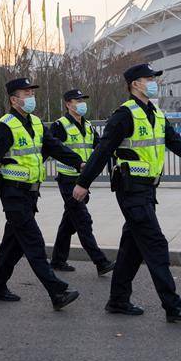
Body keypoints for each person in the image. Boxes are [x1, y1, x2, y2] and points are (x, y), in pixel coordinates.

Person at [72, 63, 181, 323]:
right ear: (135, 84)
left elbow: (174, 140)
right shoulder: (124, 115)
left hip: (147, 189)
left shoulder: (156, 114)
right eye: (148, 78)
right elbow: (103, 150)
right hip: (130, 189)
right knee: (156, 243)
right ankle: (173, 305)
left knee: (132, 247)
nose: (153, 82)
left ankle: (117, 300)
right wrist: (83, 182)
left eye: (153, 78)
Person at [0, 77, 83, 311]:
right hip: (12, 192)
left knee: (14, 244)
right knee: (33, 242)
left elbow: (54, 147)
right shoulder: (5, 126)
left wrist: (78, 163)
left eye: (31, 93)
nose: (30, 97)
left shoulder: (36, 123)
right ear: (13, 99)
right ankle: (57, 292)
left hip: (29, 194)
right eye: (26, 94)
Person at [48, 88, 115, 275]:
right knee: (83, 220)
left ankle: (57, 260)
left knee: (69, 221)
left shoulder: (89, 126)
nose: (81, 103)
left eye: (82, 100)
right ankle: (100, 261)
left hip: (83, 180)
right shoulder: (59, 126)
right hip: (68, 179)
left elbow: (101, 148)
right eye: (77, 100)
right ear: (68, 104)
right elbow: (54, 149)